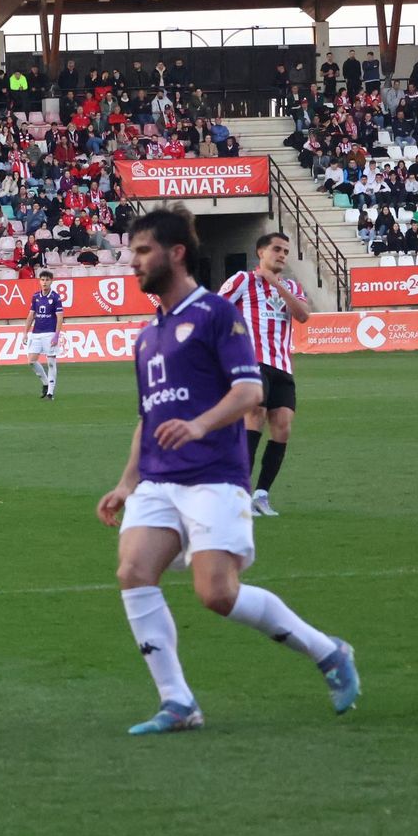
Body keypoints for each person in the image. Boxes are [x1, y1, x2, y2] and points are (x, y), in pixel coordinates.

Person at [95, 207, 359, 735]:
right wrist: (127, 481)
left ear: (175, 253)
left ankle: (329, 652)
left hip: (214, 473)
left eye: (143, 251)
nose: (133, 262)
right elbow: (148, 417)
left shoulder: (217, 314)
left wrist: (197, 426)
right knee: (133, 572)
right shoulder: (148, 336)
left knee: (216, 593)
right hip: (158, 479)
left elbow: (249, 392)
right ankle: (177, 702)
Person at [219, 231, 310, 517]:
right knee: (255, 416)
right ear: (261, 252)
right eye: (277, 249)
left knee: (282, 427)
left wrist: (276, 284)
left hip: (282, 365)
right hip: (251, 362)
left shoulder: (292, 286)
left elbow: (303, 315)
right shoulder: (242, 281)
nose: (282, 255)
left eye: (285, 251)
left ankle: (261, 495)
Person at [24, 271, 64, 399]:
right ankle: (46, 383)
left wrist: (56, 335)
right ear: (39, 281)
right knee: (31, 361)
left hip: (50, 333)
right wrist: (25, 332)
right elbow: (31, 315)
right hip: (36, 333)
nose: (44, 282)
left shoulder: (56, 298)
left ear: (51, 281)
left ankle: (50, 392)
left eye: (47, 280)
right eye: (42, 280)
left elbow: (59, 318)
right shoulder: (36, 296)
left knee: (51, 362)